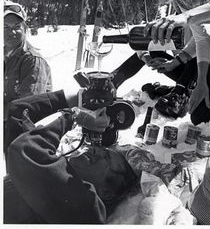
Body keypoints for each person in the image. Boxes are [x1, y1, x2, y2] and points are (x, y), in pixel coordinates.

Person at [4, 89, 137, 224]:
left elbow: (23, 149)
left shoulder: (88, 210)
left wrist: (73, 117)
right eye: (102, 150)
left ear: (106, 192)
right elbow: (17, 111)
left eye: (106, 157)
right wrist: (79, 98)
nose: (95, 150)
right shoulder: (63, 182)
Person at [4, 1, 53, 150]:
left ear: (25, 30)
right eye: (5, 27)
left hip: (23, 137)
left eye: (16, 27)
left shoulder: (32, 61)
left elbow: (27, 110)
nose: (10, 32)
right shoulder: (6, 55)